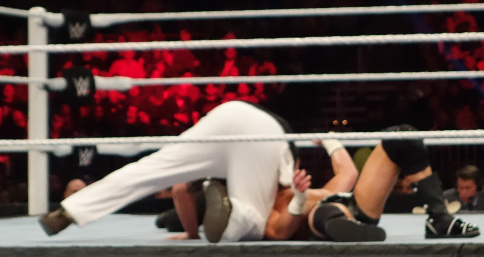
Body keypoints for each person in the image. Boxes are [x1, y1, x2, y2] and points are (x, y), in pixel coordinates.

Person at [39, 100, 296, 242]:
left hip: (229, 112)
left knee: (150, 169)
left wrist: (192, 234)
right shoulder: (287, 157)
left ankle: (69, 210)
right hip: (266, 132)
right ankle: (231, 210)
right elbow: (287, 201)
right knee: (255, 225)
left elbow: (180, 188)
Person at [207, 125, 480, 241]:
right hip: (323, 219)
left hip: (357, 203)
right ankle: (344, 227)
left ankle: (439, 219)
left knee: (401, 136)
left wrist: (330, 141)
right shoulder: (265, 210)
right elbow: (279, 231)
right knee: (321, 213)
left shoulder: (310, 189)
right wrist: (299, 200)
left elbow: (348, 175)